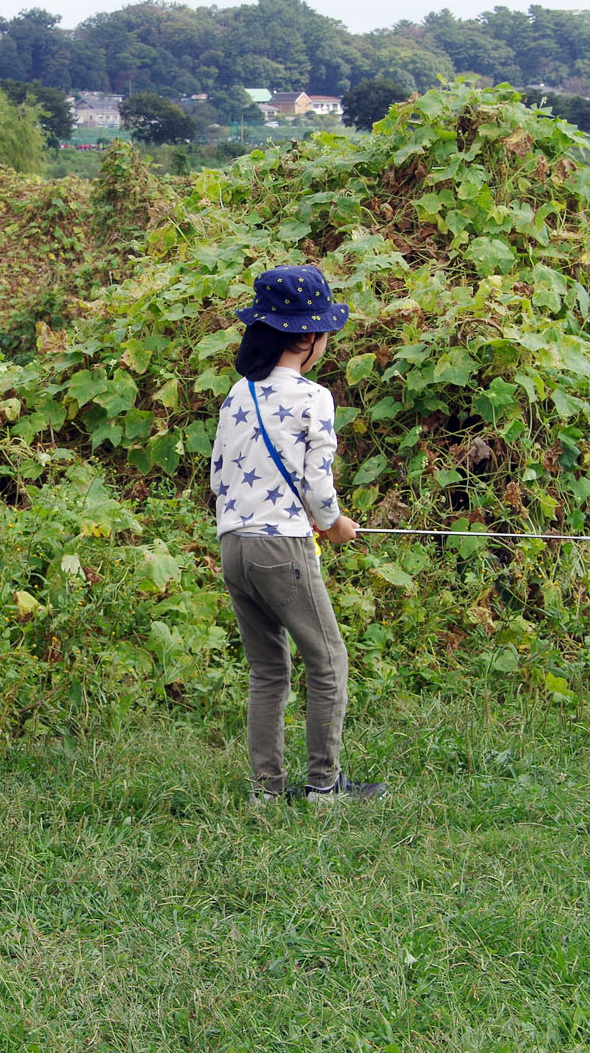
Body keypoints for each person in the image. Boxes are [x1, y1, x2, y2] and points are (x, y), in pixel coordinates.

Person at [209, 265, 385, 803]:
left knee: (267, 671)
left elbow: (219, 475)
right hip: (282, 548)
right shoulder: (314, 397)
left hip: (234, 545)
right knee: (328, 662)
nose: (327, 339)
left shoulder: (237, 394)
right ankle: (324, 788)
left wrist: (291, 511)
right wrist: (333, 525)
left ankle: (266, 790)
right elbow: (318, 481)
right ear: (307, 337)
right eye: (326, 330)